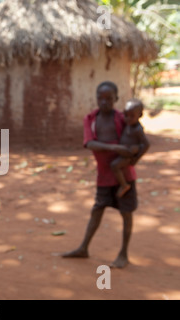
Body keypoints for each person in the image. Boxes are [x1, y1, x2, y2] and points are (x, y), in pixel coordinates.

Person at [62, 81, 146, 268]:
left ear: (116, 99)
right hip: (104, 176)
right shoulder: (90, 119)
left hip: (124, 176)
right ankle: (83, 247)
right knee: (97, 210)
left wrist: (134, 158)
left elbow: (139, 141)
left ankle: (123, 253)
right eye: (100, 97)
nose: (104, 101)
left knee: (126, 213)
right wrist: (115, 147)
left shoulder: (122, 118)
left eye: (109, 98)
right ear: (96, 98)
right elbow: (90, 144)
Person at [111, 98, 150, 198]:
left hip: (128, 155)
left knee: (114, 165)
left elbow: (146, 144)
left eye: (132, 116)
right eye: (126, 115)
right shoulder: (128, 124)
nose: (128, 118)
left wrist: (136, 158)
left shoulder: (137, 129)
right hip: (124, 151)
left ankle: (124, 185)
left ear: (140, 115)